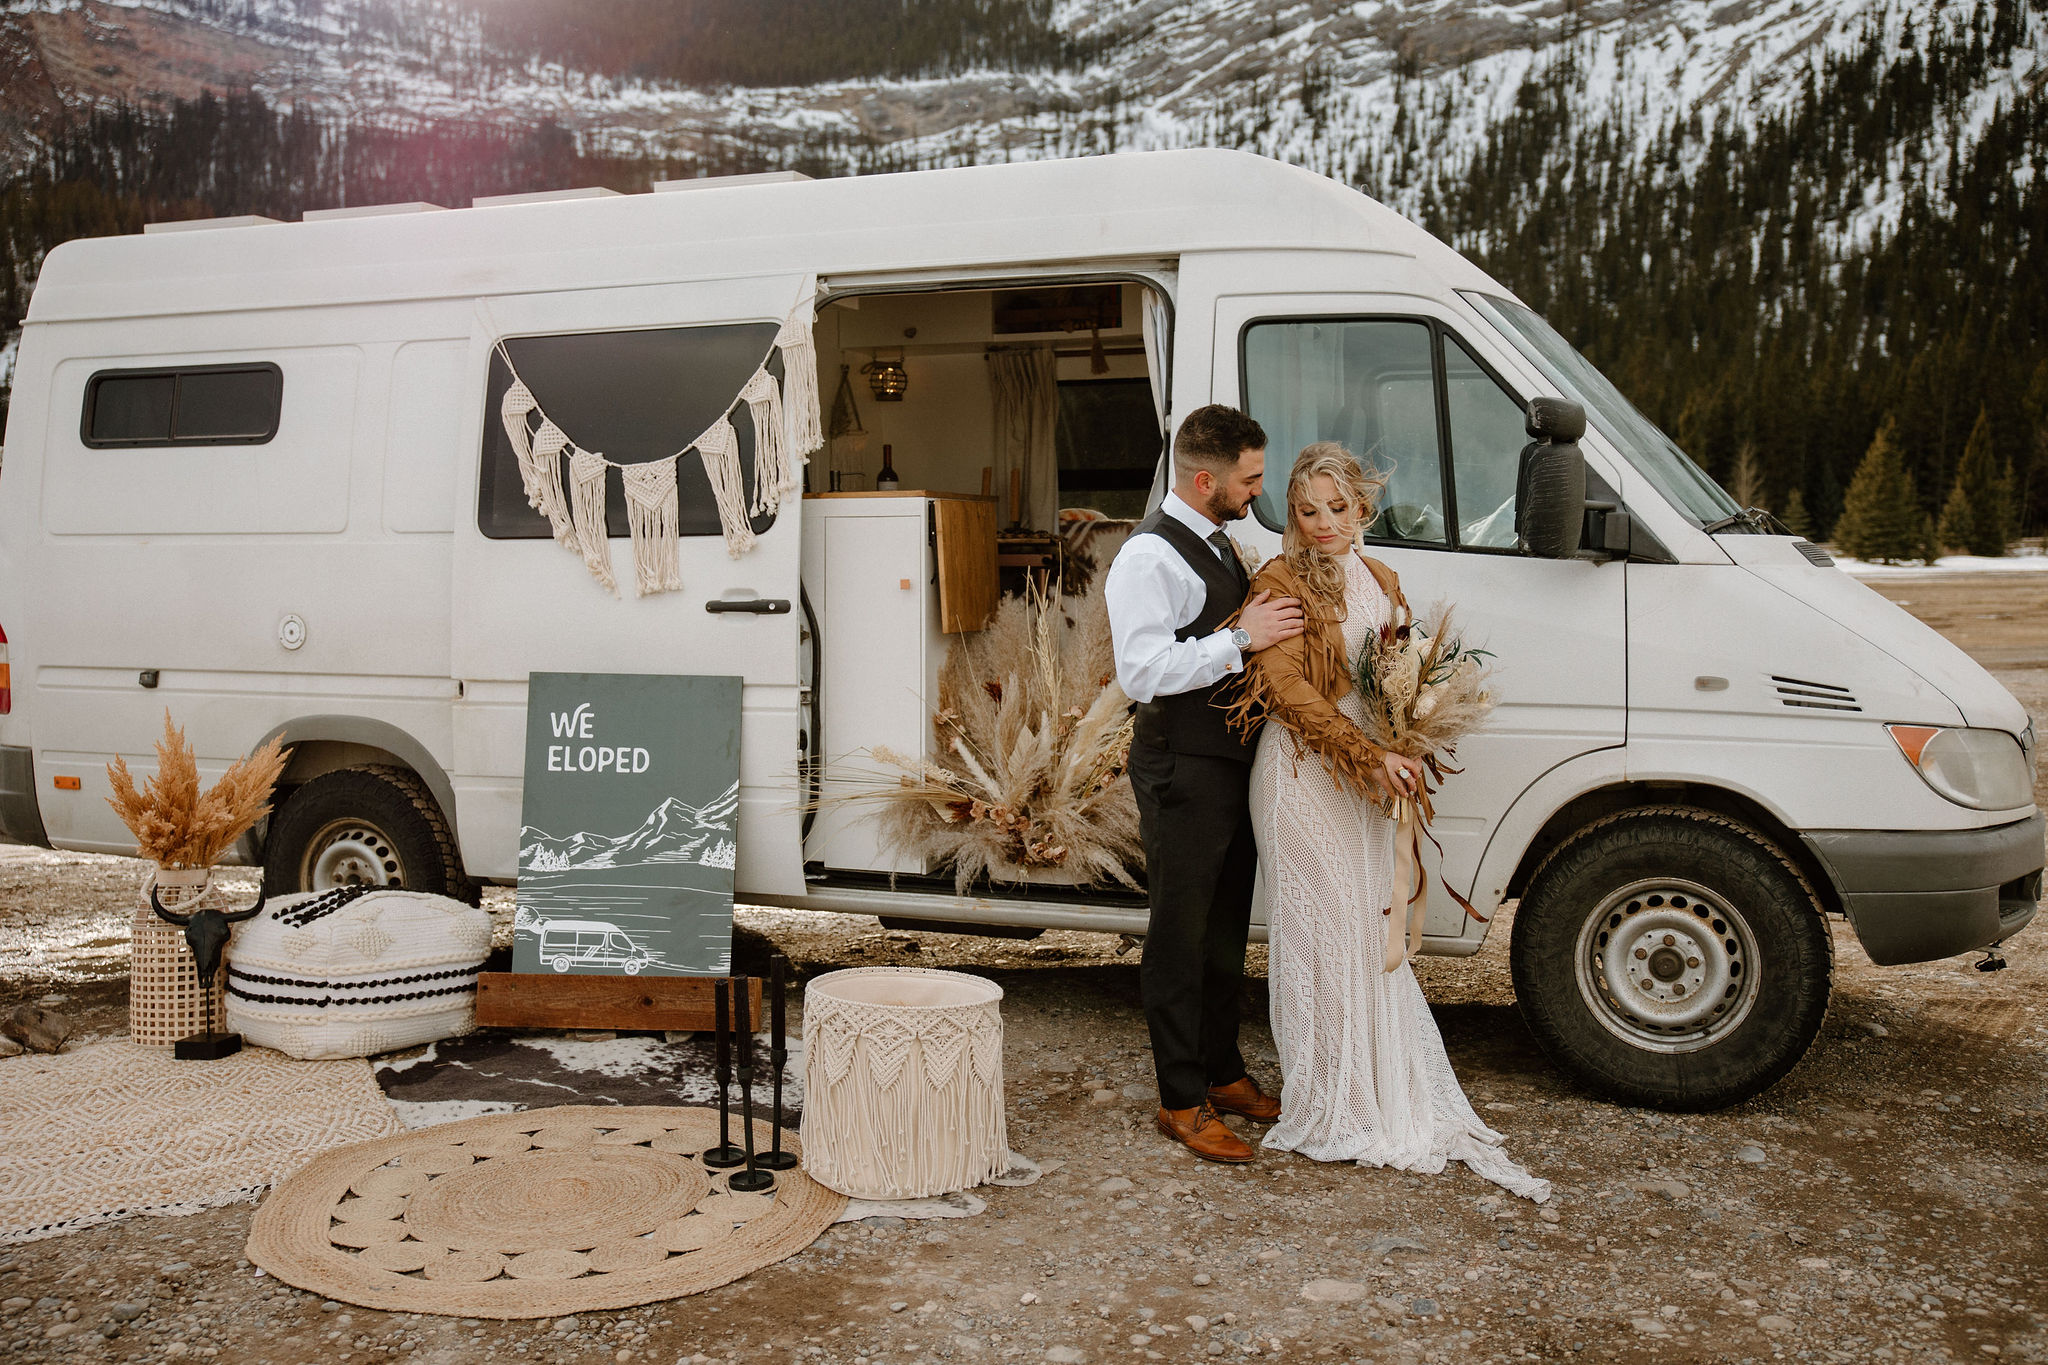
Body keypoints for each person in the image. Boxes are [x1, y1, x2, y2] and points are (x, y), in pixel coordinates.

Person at [1228, 441, 1550, 1200]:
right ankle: (1328, 1100)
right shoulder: (1277, 581)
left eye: (1337, 508)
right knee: (1322, 927)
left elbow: (1398, 675)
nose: (1322, 524)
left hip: (1369, 775)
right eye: (1307, 511)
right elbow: (1285, 692)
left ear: (1361, 507)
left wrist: (1409, 736)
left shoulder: (1383, 577)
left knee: (1368, 928)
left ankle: (1373, 1090)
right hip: (1306, 773)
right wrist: (1366, 753)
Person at [1105, 404, 1304, 1164]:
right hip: (1182, 765)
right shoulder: (1147, 558)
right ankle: (1179, 1098)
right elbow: (1144, 669)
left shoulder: (1217, 541)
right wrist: (1243, 637)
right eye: (1248, 480)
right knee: (1180, 936)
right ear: (1204, 478)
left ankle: (1223, 1072)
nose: (1257, 492)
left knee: (1225, 931)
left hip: (1229, 763)